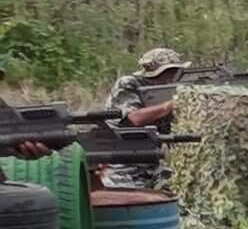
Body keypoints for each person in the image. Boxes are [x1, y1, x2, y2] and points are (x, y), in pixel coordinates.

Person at [8, 46, 184, 187]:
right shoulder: (129, 83)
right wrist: (169, 106)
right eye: (166, 73)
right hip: (124, 159)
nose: (169, 78)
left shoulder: (173, 89)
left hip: (155, 161)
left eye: (173, 73)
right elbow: (133, 119)